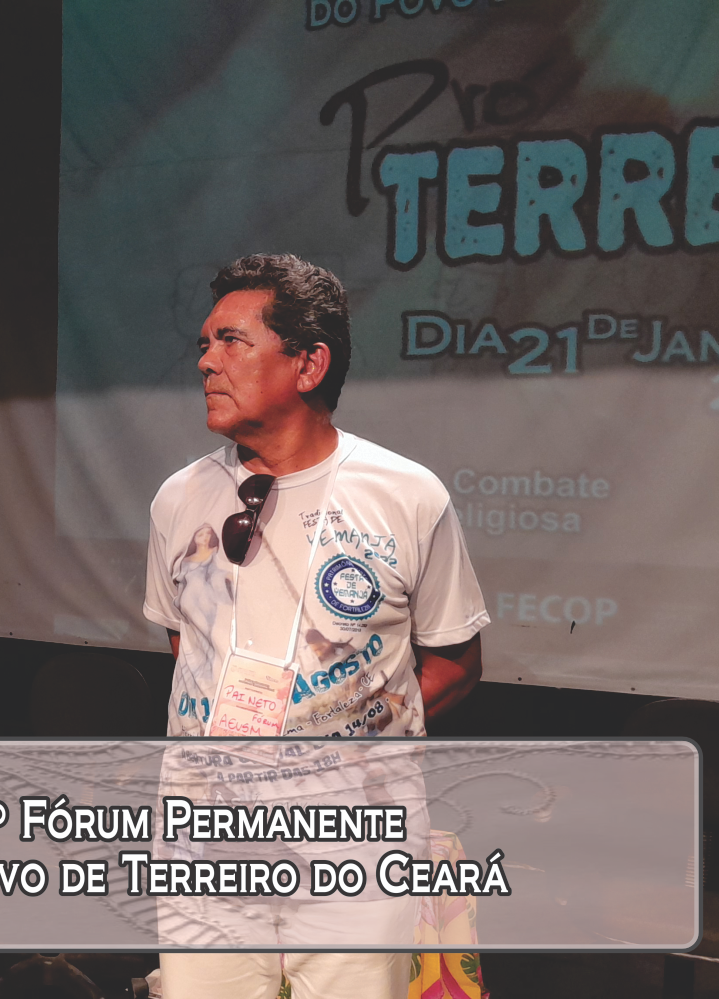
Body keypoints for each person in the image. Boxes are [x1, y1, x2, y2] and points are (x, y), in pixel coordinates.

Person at [142, 254, 488, 999]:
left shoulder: (407, 495)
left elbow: (456, 661)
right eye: (204, 343)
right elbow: (187, 645)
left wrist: (339, 738)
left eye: (231, 340)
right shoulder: (179, 498)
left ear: (308, 363)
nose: (205, 360)